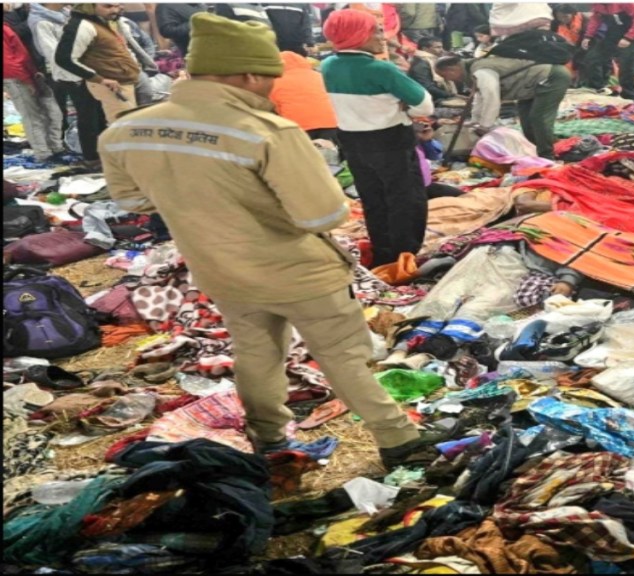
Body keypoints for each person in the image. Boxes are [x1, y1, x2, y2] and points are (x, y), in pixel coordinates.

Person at [98, 12, 434, 467]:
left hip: (218, 268)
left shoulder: (124, 131)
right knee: (342, 357)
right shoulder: (265, 133)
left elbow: (134, 201)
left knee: (256, 353)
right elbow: (324, 213)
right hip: (298, 271)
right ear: (251, 74)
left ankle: (269, 438)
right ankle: (399, 439)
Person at [321, 9, 433, 268]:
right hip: (389, 141)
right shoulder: (380, 69)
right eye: (376, 30)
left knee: (373, 199)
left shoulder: (328, 65)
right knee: (404, 199)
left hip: (352, 141)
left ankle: (383, 253)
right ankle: (405, 257)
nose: (382, 36)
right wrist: (403, 104)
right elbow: (425, 106)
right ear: (359, 35)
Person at [436, 53, 570, 160]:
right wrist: (475, 121)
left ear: (451, 69)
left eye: (445, 76)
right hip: (532, 85)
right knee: (525, 120)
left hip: (551, 77)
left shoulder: (481, 71)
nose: (448, 80)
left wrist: (485, 125)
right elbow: (479, 97)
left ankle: (547, 156)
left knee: (538, 118)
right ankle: (535, 150)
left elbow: (491, 98)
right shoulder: (472, 70)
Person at [56, 3, 141, 125]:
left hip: (122, 82)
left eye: (117, 6)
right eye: (108, 6)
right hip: (111, 85)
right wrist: (99, 79)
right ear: (90, 6)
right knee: (122, 128)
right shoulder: (82, 25)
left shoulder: (104, 21)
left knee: (128, 127)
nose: (114, 10)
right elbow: (64, 59)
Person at [3, 15, 64, 162]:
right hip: (18, 76)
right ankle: (43, 153)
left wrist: (32, 73)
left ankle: (55, 147)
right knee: (32, 116)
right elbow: (8, 60)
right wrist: (26, 79)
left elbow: (20, 53)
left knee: (53, 112)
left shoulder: (10, 25)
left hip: (31, 73)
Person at [269, 51, 339, 143]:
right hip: (331, 123)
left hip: (297, 127)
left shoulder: (274, 83)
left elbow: (272, 107)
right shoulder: (319, 76)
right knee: (330, 154)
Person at [581, 3, 634, 99]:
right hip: (613, 35)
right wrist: (588, 36)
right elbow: (596, 19)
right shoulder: (598, 5)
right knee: (593, 57)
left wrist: (629, 38)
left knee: (627, 65)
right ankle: (597, 87)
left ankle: (628, 94)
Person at [27, 3, 75, 132]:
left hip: (73, 67)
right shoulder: (41, 21)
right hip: (56, 69)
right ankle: (61, 139)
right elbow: (51, 52)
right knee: (59, 107)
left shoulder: (66, 14)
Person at [409, 36, 455, 101]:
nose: (442, 50)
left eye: (441, 47)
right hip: (428, 99)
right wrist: (449, 95)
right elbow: (426, 86)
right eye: (438, 47)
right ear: (425, 49)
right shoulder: (421, 64)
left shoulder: (433, 60)